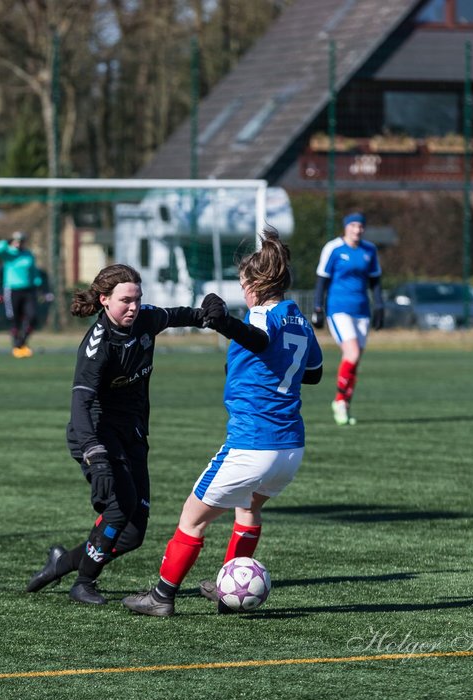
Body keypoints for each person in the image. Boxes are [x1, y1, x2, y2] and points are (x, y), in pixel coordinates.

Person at [23, 263, 268, 605]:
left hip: (134, 433)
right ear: (104, 300)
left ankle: (60, 564)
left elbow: (185, 316)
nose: (133, 307)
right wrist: (94, 453)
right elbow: (81, 402)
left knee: (133, 535)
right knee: (117, 511)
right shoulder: (97, 345)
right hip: (96, 434)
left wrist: (211, 311)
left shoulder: (145, 320)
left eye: (137, 299)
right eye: (125, 300)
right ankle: (83, 583)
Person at [123, 229, 323, 617]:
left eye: (243, 282)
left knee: (191, 518)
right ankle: (226, 589)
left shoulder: (261, 316)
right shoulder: (300, 321)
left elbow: (257, 338)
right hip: (290, 448)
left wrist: (223, 322)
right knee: (248, 510)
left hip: (253, 443)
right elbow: (312, 373)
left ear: (254, 284)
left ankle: (162, 596)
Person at [311, 211, 382, 426]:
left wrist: (379, 305)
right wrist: (317, 307)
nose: (357, 230)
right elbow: (322, 279)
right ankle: (340, 403)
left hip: (362, 311)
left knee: (355, 359)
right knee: (351, 352)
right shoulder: (333, 248)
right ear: (346, 227)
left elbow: (375, 281)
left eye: (360, 226)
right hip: (338, 309)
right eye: (353, 226)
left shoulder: (369, 250)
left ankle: (344, 402)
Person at [0, 231, 43, 358]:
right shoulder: (8, 254)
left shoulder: (27, 254)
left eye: (20, 241)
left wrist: (38, 284)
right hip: (12, 290)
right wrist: (9, 240)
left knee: (32, 316)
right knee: (14, 318)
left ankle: (22, 342)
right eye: (16, 241)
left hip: (28, 290)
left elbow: (33, 271)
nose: (18, 243)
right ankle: (16, 345)